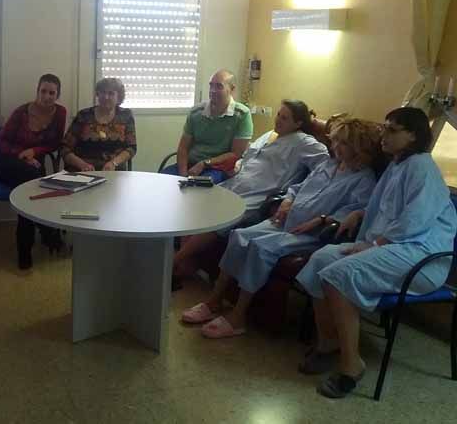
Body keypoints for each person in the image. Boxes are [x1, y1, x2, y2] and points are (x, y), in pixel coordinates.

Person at [295, 107, 457, 399]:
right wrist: (359, 213)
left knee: (336, 275)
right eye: (385, 127)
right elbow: (385, 208)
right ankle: (329, 342)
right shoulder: (398, 164)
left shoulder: (421, 166)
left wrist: (373, 244)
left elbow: (415, 221)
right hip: (395, 245)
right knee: (320, 259)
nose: (384, 135)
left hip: (420, 255)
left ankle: (350, 365)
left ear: (415, 136)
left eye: (393, 130)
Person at [181, 117, 383, 341]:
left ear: (358, 147)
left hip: (311, 233)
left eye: (343, 143)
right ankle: (214, 300)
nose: (336, 147)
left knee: (260, 247)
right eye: (335, 141)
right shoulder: (329, 164)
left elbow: (357, 212)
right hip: (286, 219)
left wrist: (322, 220)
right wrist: (287, 201)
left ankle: (238, 316)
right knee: (239, 236)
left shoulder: (364, 180)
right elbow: (297, 187)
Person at [171, 100, 329, 290]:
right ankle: (188, 264)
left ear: (298, 124)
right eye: (279, 114)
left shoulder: (304, 142)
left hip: (258, 193)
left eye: (285, 118)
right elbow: (247, 156)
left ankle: (172, 262)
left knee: (219, 218)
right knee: (195, 203)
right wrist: (236, 166)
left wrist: (293, 194)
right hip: (237, 182)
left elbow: (327, 165)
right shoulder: (271, 135)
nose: (278, 120)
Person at [0, 74, 66, 269]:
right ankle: (46, 231)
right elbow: (0, 142)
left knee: (28, 194)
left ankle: (25, 249)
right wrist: (22, 153)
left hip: (34, 166)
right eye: (43, 91)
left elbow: (55, 143)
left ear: (57, 95)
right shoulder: (22, 112)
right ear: (37, 91)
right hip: (8, 165)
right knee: (32, 186)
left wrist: (34, 151)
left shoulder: (60, 113)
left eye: (52, 92)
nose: (47, 96)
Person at [160, 69, 253, 184]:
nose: (213, 91)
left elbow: (235, 154)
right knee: (162, 179)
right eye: (211, 86)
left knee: (200, 186)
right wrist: (183, 175)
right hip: (191, 163)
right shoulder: (196, 112)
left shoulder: (242, 115)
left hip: (218, 168)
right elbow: (183, 148)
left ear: (232, 89)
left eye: (219, 86)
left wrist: (204, 163)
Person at [61, 78, 136, 171]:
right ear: (98, 94)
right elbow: (65, 148)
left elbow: (132, 148)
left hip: (114, 172)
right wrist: (82, 164)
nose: (106, 97)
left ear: (119, 97)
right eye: (103, 92)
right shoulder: (84, 115)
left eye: (111, 93)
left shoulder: (126, 115)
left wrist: (114, 163)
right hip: (83, 172)